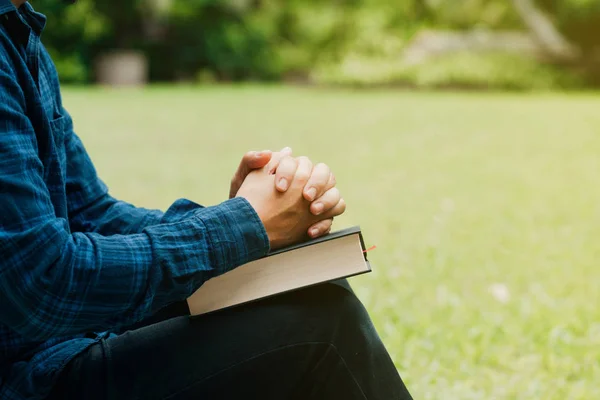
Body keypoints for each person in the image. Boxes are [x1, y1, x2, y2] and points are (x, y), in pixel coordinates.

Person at [0, 0, 414, 399]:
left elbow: (90, 213)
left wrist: (250, 223)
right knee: (322, 327)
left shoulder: (19, 35)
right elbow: (44, 280)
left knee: (301, 289)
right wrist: (243, 224)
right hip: (30, 375)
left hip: (57, 345)